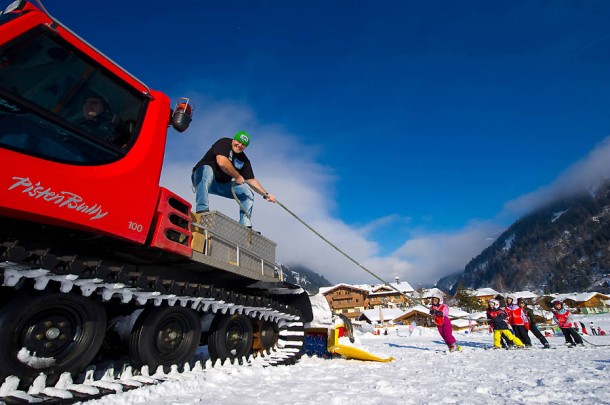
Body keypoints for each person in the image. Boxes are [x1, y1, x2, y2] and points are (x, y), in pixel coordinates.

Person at [191, 131, 276, 228]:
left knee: (247, 193)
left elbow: (251, 181)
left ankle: (245, 225)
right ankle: (202, 210)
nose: (239, 145)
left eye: (243, 145)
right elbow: (222, 162)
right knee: (207, 170)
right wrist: (237, 176)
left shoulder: (244, 160)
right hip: (201, 178)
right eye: (238, 142)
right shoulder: (224, 143)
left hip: (221, 185)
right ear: (234, 139)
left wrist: (266, 194)